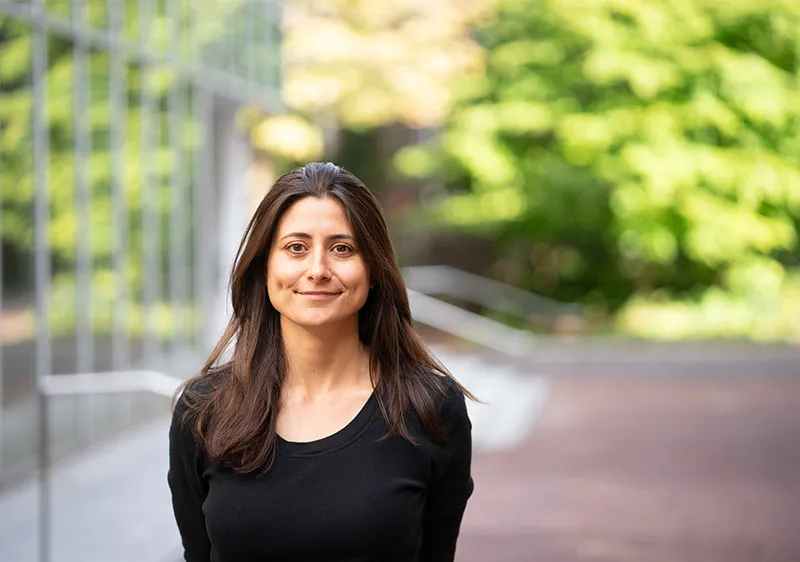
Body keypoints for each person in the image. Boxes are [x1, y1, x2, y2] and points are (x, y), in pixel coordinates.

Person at [168, 162, 475, 562]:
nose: (317, 270)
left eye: (342, 248)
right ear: (265, 267)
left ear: (374, 269)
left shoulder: (430, 408)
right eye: (296, 247)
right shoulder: (204, 410)